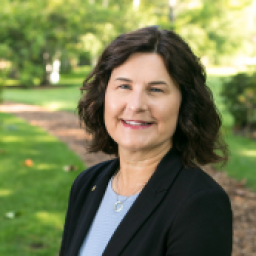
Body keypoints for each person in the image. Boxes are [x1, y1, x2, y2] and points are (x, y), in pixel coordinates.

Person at [59, 26, 233, 256]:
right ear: (104, 96)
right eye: (124, 86)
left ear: (185, 105)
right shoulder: (87, 184)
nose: (136, 105)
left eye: (156, 90)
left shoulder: (201, 204)